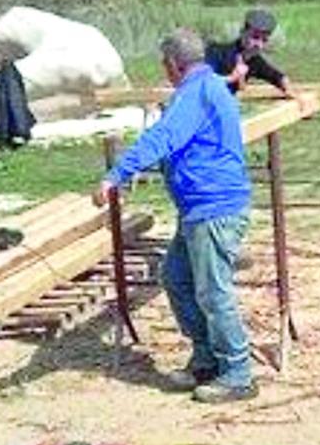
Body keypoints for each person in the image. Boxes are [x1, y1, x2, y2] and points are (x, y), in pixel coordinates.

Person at [94, 28, 256, 403]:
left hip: (214, 207)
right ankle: (206, 358)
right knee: (177, 279)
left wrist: (116, 174)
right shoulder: (208, 86)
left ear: (171, 65)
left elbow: (162, 138)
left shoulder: (197, 93)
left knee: (214, 293)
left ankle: (238, 373)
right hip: (199, 208)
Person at [206, 8, 294, 96]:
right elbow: (201, 80)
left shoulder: (254, 61)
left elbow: (275, 76)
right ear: (243, 32)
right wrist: (231, 78)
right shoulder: (217, 52)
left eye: (264, 40)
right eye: (255, 37)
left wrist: (285, 85)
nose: (259, 44)